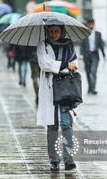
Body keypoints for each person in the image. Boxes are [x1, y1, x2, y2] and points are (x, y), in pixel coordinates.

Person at [37, 25, 78, 172]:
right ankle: (54, 159)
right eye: (51, 31)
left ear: (62, 31)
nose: (54, 34)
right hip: (50, 89)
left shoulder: (69, 45)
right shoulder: (43, 45)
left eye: (57, 31)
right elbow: (44, 64)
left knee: (66, 124)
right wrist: (65, 66)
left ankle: (69, 159)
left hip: (66, 90)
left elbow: (75, 64)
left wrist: (61, 67)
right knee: (52, 125)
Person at [80, 19, 106, 95]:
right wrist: (81, 54)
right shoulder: (84, 33)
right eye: (90, 24)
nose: (91, 26)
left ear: (94, 24)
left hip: (95, 55)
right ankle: (90, 87)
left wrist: (104, 55)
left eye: (92, 24)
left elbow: (101, 45)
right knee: (88, 72)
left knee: (93, 71)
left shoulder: (98, 34)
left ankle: (93, 88)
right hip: (86, 55)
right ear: (87, 25)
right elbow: (82, 45)